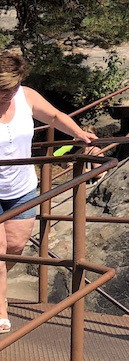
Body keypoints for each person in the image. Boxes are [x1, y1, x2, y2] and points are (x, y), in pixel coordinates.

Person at [0, 51, 98, 333]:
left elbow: (54, 115)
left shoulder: (26, 96)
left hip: (22, 188)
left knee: (15, 248)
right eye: (2, 90)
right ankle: (1, 309)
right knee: (0, 251)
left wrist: (79, 134)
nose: (8, 95)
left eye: (12, 88)